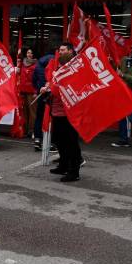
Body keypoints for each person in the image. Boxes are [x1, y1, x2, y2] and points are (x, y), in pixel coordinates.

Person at [44, 52, 84, 182]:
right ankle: (63, 165)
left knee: (71, 143)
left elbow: (61, 90)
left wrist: (50, 88)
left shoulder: (73, 76)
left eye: (61, 65)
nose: (59, 68)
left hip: (68, 115)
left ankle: (74, 171)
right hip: (57, 113)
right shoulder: (59, 75)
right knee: (59, 141)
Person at [17, 48, 37, 137]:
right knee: (24, 110)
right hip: (23, 90)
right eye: (28, 52)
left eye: (31, 53)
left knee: (32, 111)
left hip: (32, 91)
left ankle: (32, 130)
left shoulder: (36, 64)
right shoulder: (22, 63)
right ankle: (24, 129)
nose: (29, 54)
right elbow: (18, 73)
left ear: (34, 55)